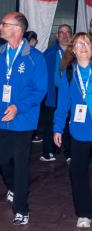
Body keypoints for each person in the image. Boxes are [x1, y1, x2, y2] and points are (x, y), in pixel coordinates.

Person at [0, 12, 47, 225]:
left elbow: (39, 90)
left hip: (23, 120)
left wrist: (19, 107)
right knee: (0, 158)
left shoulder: (35, 58)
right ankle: (13, 187)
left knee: (20, 163)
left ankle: (21, 208)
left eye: (4, 24)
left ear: (17, 29)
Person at [54, 33, 92, 228]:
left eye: (87, 42)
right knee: (77, 171)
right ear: (73, 51)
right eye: (79, 44)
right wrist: (57, 129)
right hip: (80, 131)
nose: (83, 46)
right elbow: (62, 106)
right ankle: (84, 213)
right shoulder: (69, 75)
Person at [41, 24, 73, 162]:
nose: (65, 35)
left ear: (71, 35)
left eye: (68, 32)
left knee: (70, 123)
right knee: (49, 123)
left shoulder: (77, 53)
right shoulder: (49, 53)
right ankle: (49, 152)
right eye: (61, 32)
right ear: (57, 35)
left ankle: (70, 153)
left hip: (72, 94)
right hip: (53, 93)